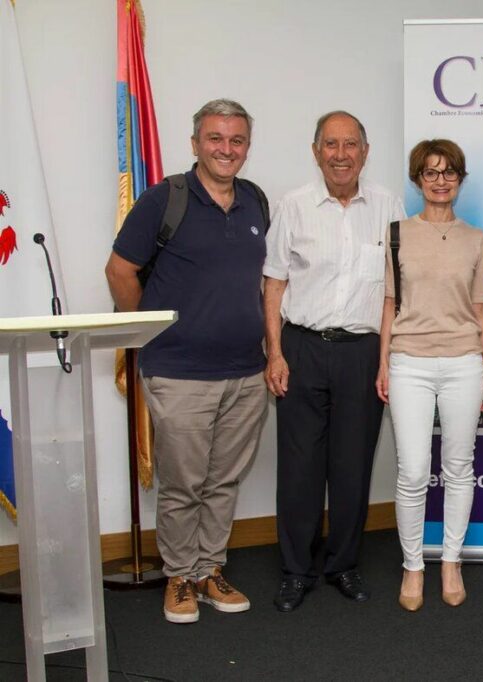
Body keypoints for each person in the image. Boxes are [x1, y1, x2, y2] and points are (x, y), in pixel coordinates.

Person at [105, 99, 268, 624]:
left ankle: (208, 570)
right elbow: (119, 270)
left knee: (223, 481)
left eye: (237, 140)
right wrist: (143, 333)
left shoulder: (256, 201)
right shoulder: (164, 199)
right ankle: (178, 575)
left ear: (247, 146)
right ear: (195, 143)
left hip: (246, 372)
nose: (226, 149)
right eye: (215, 138)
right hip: (179, 373)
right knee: (183, 483)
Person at [264, 111, 404, 612]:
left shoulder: (389, 206)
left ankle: (343, 564)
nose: (340, 155)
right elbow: (273, 284)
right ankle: (296, 570)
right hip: (301, 348)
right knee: (299, 467)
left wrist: (385, 360)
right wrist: (275, 352)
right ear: (315, 151)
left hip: (361, 353)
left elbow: (393, 292)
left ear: (365, 152)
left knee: (352, 466)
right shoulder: (294, 206)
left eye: (350, 145)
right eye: (331, 144)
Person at [375, 139, 483, 612]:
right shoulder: (397, 234)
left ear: (460, 180)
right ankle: (413, 566)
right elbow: (389, 304)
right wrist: (383, 363)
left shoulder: (475, 239)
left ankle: (451, 561)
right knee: (411, 471)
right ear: (418, 179)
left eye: (449, 172)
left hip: (464, 363)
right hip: (409, 362)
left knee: (458, 468)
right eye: (431, 172)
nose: (440, 180)